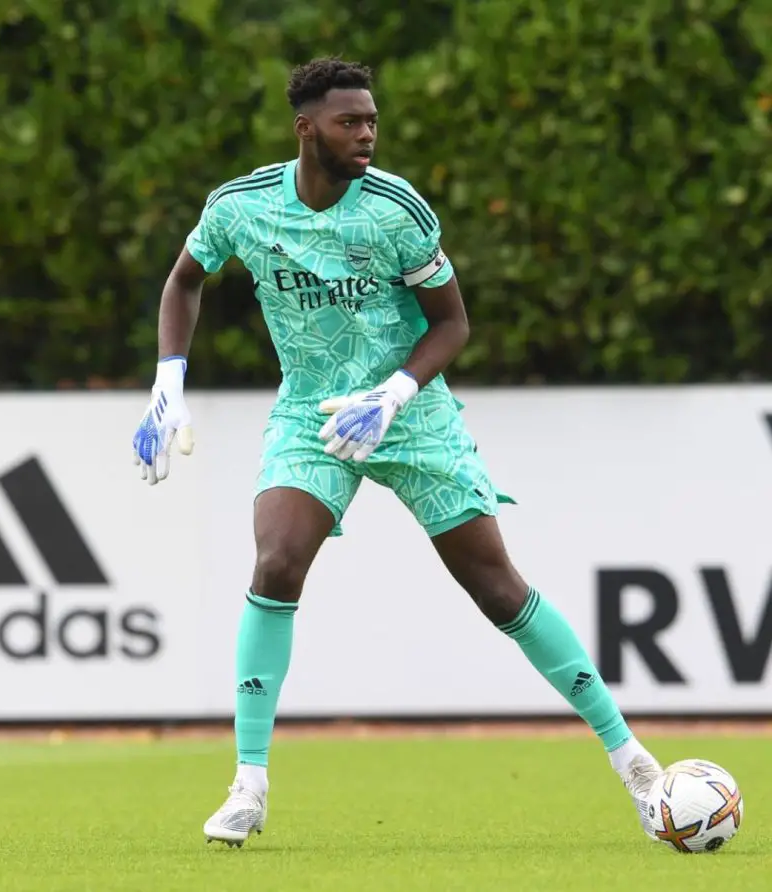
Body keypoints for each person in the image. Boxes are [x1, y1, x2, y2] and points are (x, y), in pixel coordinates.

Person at [132, 58, 663, 848]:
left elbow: (452, 323)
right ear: (306, 128)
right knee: (276, 561)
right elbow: (184, 280)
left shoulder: (395, 210)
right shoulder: (241, 206)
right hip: (312, 411)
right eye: (350, 121)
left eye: (372, 120)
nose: (367, 134)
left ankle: (636, 765)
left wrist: (394, 395)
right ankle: (248, 785)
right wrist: (167, 382)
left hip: (409, 414)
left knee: (496, 587)